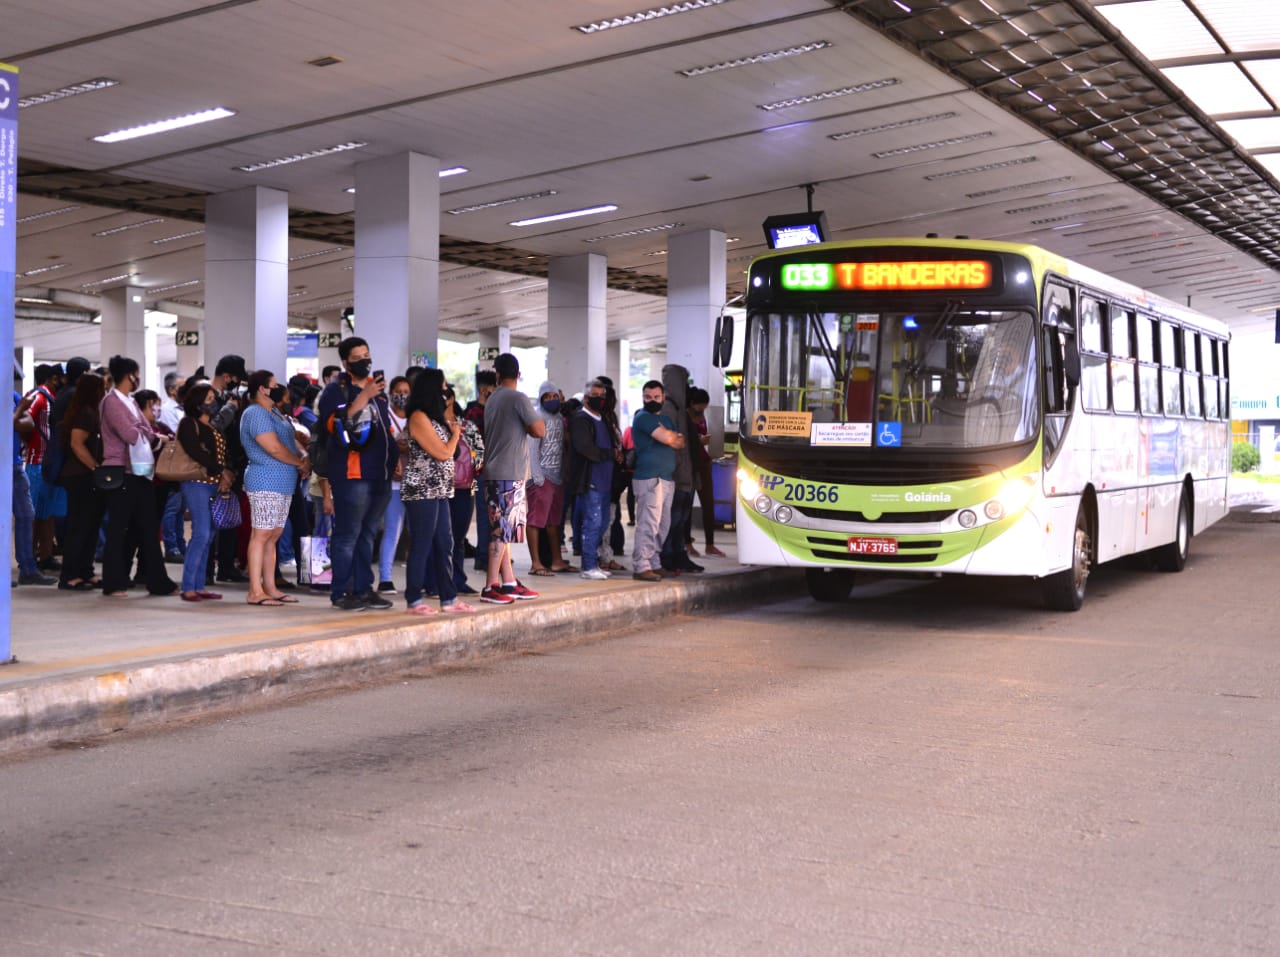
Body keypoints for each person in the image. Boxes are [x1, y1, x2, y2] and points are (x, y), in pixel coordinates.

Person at [316, 337, 398, 612]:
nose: (365, 359)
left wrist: (393, 459)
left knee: (367, 534)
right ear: (345, 362)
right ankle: (342, 591)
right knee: (347, 534)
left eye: (367, 353)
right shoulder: (336, 390)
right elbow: (335, 424)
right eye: (358, 356)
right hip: (353, 474)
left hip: (380, 473)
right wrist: (364, 396)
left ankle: (364, 589)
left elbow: (384, 430)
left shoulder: (380, 393)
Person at [98, 355, 177, 598]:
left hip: (139, 472)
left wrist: (148, 434)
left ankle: (157, 581)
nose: (138, 379)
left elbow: (145, 428)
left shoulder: (130, 401)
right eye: (137, 374)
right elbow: (130, 433)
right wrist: (152, 436)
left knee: (148, 526)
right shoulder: (111, 402)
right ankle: (113, 582)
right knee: (118, 528)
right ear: (130, 375)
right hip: (121, 470)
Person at [400, 369, 475, 615]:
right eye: (442, 387)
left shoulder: (435, 417)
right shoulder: (418, 417)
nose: (446, 392)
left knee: (446, 542)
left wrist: (451, 435)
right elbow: (443, 452)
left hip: (440, 489)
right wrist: (455, 435)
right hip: (422, 489)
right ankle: (413, 599)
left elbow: (448, 453)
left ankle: (448, 598)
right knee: (422, 543)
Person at [477, 353, 544, 605]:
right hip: (509, 472)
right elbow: (540, 430)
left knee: (504, 530)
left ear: (496, 374)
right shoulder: (518, 398)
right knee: (501, 531)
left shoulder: (492, 399)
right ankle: (490, 586)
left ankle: (509, 582)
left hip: (495, 471)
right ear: (518, 374)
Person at [239, 370, 309, 607]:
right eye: (273, 384)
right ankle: (255, 590)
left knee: (274, 535)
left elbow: (291, 439)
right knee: (261, 535)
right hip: (265, 479)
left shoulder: (276, 412)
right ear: (262, 388)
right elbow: (274, 448)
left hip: (283, 481)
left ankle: (270, 587)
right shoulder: (255, 413)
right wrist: (298, 462)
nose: (278, 387)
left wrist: (303, 455)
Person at [176, 382, 234, 602]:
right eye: (209, 399)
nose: (213, 403)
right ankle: (188, 586)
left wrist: (223, 475)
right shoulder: (188, 423)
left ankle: (199, 585)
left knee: (208, 534)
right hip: (196, 482)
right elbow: (194, 451)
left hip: (213, 483)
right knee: (201, 533)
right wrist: (221, 471)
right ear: (197, 403)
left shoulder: (211, 426)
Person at [54, 372, 107, 591]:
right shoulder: (85, 413)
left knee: (91, 526)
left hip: (85, 477)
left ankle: (85, 571)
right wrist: (95, 467)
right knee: (80, 526)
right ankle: (69, 575)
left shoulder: (88, 410)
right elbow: (77, 443)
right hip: (80, 477)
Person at [630, 380, 685, 581]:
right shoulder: (642, 417)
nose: (651, 400)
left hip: (666, 479)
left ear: (663, 398)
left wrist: (670, 436)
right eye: (647, 397)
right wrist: (670, 437)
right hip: (649, 479)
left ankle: (654, 562)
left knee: (662, 525)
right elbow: (671, 440)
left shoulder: (666, 419)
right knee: (648, 523)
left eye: (656, 397)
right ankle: (641, 565)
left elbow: (681, 441)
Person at [567, 378, 618, 582]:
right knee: (592, 523)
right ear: (586, 397)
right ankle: (588, 565)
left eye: (602, 396)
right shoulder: (581, 419)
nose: (599, 399)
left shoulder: (603, 418)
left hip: (605, 481)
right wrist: (610, 454)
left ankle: (594, 562)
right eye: (595, 396)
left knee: (602, 523)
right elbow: (585, 447)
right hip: (591, 480)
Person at [22, 363, 68, 572]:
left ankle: (46, 555)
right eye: (60, 377)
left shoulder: (51, 397)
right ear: (53, 378)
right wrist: (30, 443)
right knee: (35, 515)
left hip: (47, 463)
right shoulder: (38, 397)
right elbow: (23, 421)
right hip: (37, 462)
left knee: (47, 514)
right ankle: (30, 558)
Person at [12, 365, 55, 586]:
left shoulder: (12, 395)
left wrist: (16, 416)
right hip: (9, 465)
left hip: (15, 466)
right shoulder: (21, 400)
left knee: (27, 516)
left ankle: (28, 568)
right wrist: (18, 413)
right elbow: (14, 422)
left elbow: (29, 423)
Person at [660, 363, 703, 574]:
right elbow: (672, 444)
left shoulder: (680, 408)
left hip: (685, 475)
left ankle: (679, 555)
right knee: (673, 520)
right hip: (676, 476)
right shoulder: (669, 408)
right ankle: (669, 556)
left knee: (681, 520)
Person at [525, 380, 572, 576]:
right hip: (541, 478)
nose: (551, 400)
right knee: (536, 520)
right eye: (547, 397)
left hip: (557, 478)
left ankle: (556, 560)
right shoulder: (536, 417)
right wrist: (537, 477)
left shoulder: (560, 418)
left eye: (554, 396)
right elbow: (532, 449)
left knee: (554, 522)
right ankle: (536, 563)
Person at [444, 385, 480, 595]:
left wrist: (476, 477)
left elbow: (480, 455)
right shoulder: (430, 425)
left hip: (465, 488)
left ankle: (457, 580)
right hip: (441, 488)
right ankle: (434, 580)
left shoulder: (467, 426)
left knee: (458, 538)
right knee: (440, 538)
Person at [377, 376, 411, 594]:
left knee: (417, 534)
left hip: (414, 483)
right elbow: (389, 445)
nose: (402, 395)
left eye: (406, 391)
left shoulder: (416, 417)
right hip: (393, 485)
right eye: (398, 391)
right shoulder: (385, 416)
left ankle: (419, 579)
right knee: (392, 531)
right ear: (390, 393)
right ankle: (385, 578)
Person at [685, 386, 725, 558]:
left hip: (703, 462)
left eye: (704, 406)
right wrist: (698, 440)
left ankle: (710, 544)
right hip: (689, 465)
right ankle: (687, 544)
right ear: (692, 403)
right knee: (686, 506)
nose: (702, 410)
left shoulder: (701, 417)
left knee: (708, 504)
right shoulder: (684, 417)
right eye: (700, 406)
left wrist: (703, 440)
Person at [465, 368, 498, 572]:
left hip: (493, 468)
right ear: (484, 389)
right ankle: (483, 556)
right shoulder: (473, 412)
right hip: (479, 470)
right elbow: (473, 443)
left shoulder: (494, 409)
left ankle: (491, 554)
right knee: (485, 515)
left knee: (493, 514)